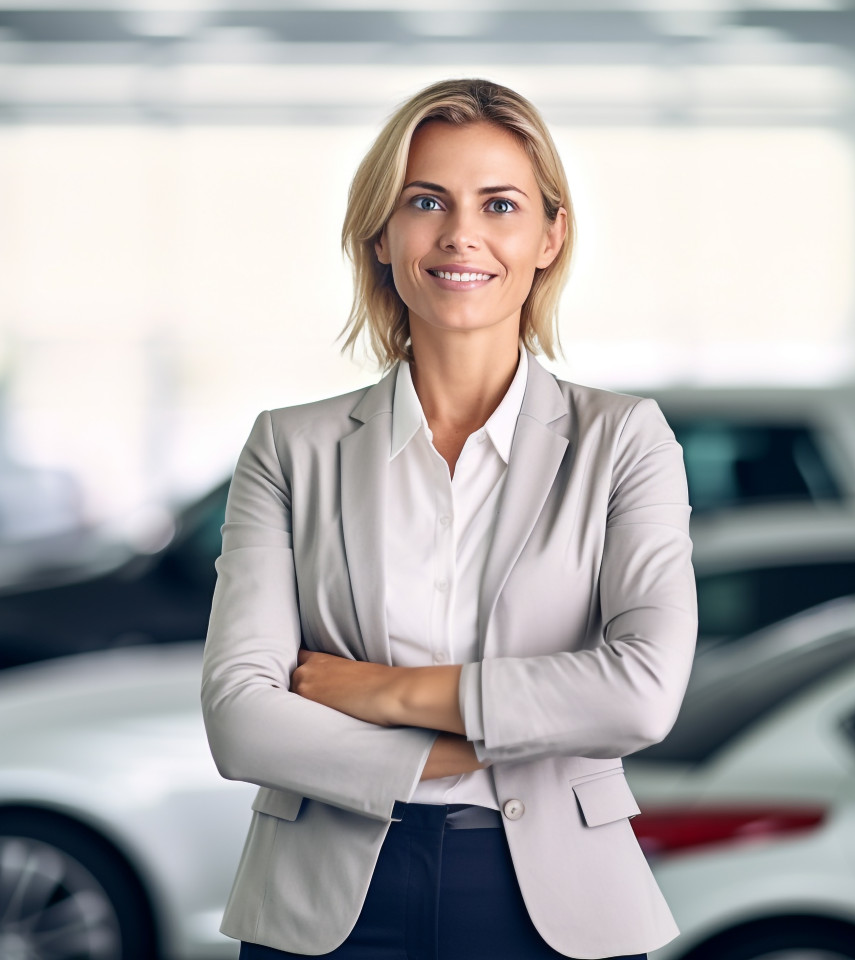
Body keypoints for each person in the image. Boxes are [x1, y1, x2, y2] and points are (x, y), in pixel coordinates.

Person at [201, 77, 698, 960]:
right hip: (322, 904)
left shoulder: (625, 440)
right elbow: (242, 717)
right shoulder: (289, 447)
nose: (460, 234)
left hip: (555, 904)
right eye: (425, 201)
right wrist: (491, 736)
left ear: (550, 234)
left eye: (498, 204)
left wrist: (384, 694)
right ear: (381, 237)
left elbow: (640, 692)